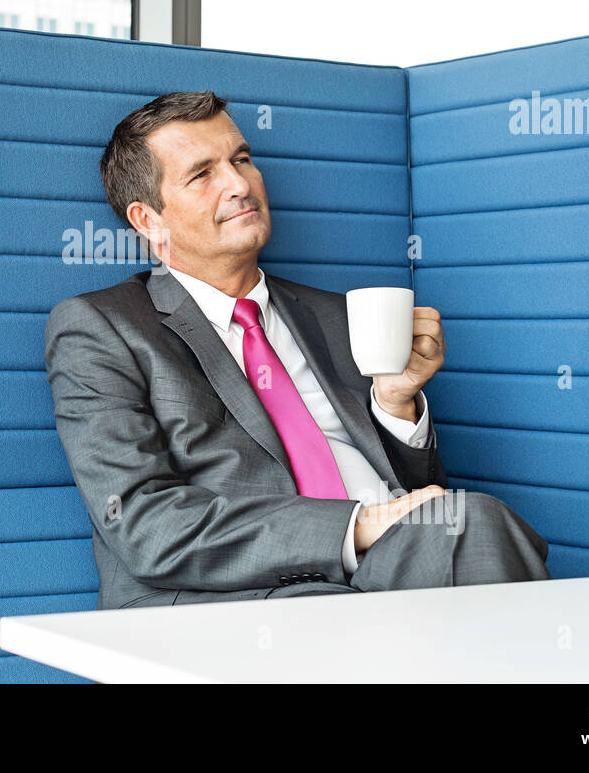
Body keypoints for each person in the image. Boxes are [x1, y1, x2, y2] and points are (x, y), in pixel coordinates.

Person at [43, 90, 551, 609]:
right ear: (149, 221)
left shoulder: (337, 316)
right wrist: (358, 526)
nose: (240, 184)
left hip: (396, 566)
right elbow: (143, 523)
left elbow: (422, 494)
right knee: (477, 530)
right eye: (203, 174)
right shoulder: (101, 328)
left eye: (241, 159)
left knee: (470, 527)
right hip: (237, 595)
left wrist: (396, 407)